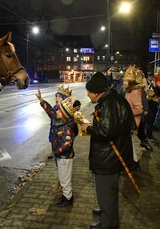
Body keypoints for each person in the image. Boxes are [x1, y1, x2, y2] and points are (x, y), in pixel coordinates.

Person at [81, 72, 136, 229]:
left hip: (108, 157)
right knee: (108, 191)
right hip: (111, 155)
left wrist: (89, 128)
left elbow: (106, 131)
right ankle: (107, 210)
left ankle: (109, 223)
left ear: (97, 92)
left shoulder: (109, 104)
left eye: (89, 92)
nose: (87, 95)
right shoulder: (112, 99)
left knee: (107, 190)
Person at [36, 89, 80, 207]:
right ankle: (65, 196)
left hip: (65, 156)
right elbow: (50, 111)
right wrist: (41, 100)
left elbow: (67, 144)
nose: (56, 112)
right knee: (62, 177)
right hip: (61, 156)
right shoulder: (59, 120)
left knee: (65, 179)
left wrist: (56, 151)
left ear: (64, 114)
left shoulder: (66, 126)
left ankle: (68, 199)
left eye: (59, 111)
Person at [48, 84, 72, 192]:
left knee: (63, 167)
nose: (56, 98)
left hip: (63, 143)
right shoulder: (55, 109)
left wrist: (58, 150)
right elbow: (49, 112)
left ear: (64, 99)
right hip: (56, 140)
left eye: (59, 96)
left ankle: (65, 190)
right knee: (58, 165)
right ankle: (60, 183)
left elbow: (69, 136)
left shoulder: (67, 113)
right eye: (56, 96)